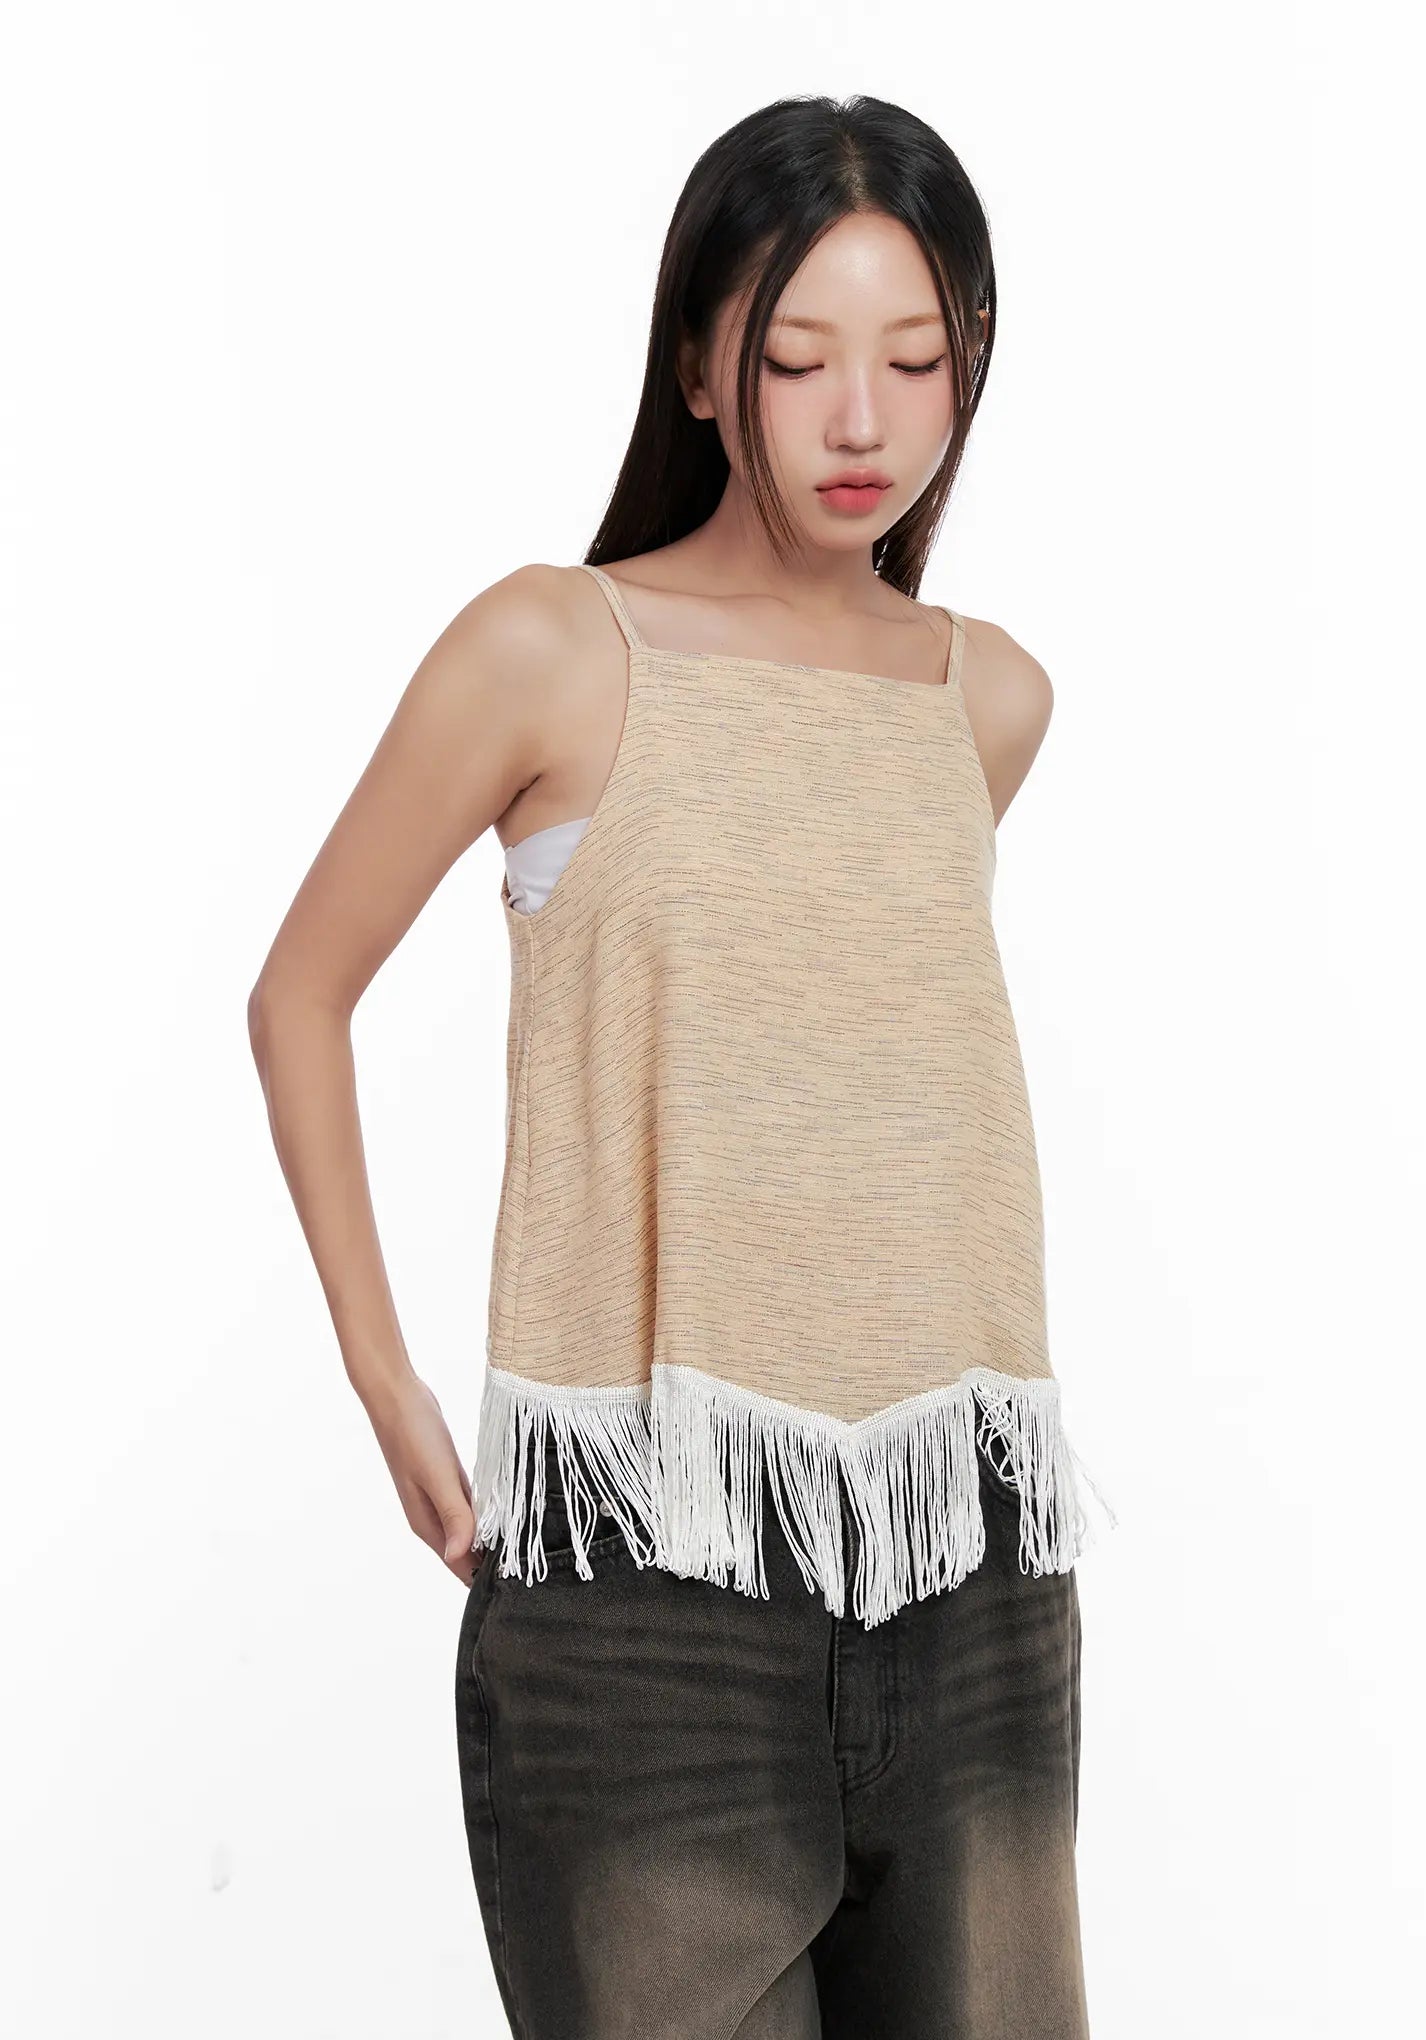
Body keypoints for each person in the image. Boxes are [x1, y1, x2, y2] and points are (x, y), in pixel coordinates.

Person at [248, 90, 1114, 2040]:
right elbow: (300, 991)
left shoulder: (987, 698)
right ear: (704, 366)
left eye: (918, 360)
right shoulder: (554, 650)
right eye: (800, 359)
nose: (862, 418)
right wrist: (386, 1380)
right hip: (643, 1579)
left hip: (970, 1564)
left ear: (974, 360)